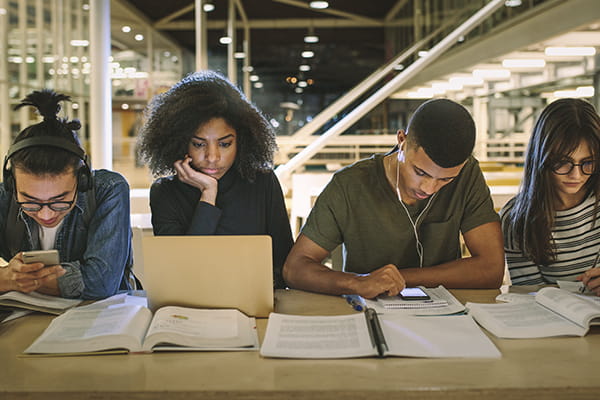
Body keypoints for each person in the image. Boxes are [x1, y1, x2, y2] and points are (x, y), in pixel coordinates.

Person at [283, 98, 504, 298]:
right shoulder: (349, 185)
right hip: (369, 312)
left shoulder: (468, 175)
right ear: (402, 140)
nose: (429, 188)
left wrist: (400, 278)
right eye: (420, 172)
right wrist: (357, 283)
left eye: (445, 180)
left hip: (445, 315)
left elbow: (491, 270)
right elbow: (295, 268)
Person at [137, 70, 293, 289]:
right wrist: (208, 194)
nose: (212, 157)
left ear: (242, 141)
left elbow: (285, 264)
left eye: (224, 144)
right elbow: (182, 272)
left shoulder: (262, 182)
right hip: (191, 307)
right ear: (180, 143)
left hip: (254, 303)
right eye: (199, 144)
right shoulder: (165, 193)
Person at [0, 89, 134, 299]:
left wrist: (17, 281)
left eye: (60, 201)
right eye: (30, 202)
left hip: (99, 319)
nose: (45, 215)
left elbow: (101, 283)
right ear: (10, 183)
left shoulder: (108, 189)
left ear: (82, 181)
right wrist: (7, 277)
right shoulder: (4, 197)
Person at [500, 98, 600, 296]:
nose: (576, 175)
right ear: (541, 158)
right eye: (563, 163)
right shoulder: (516, 219)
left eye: (588, 162)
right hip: (558, 320)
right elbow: (532, 296)